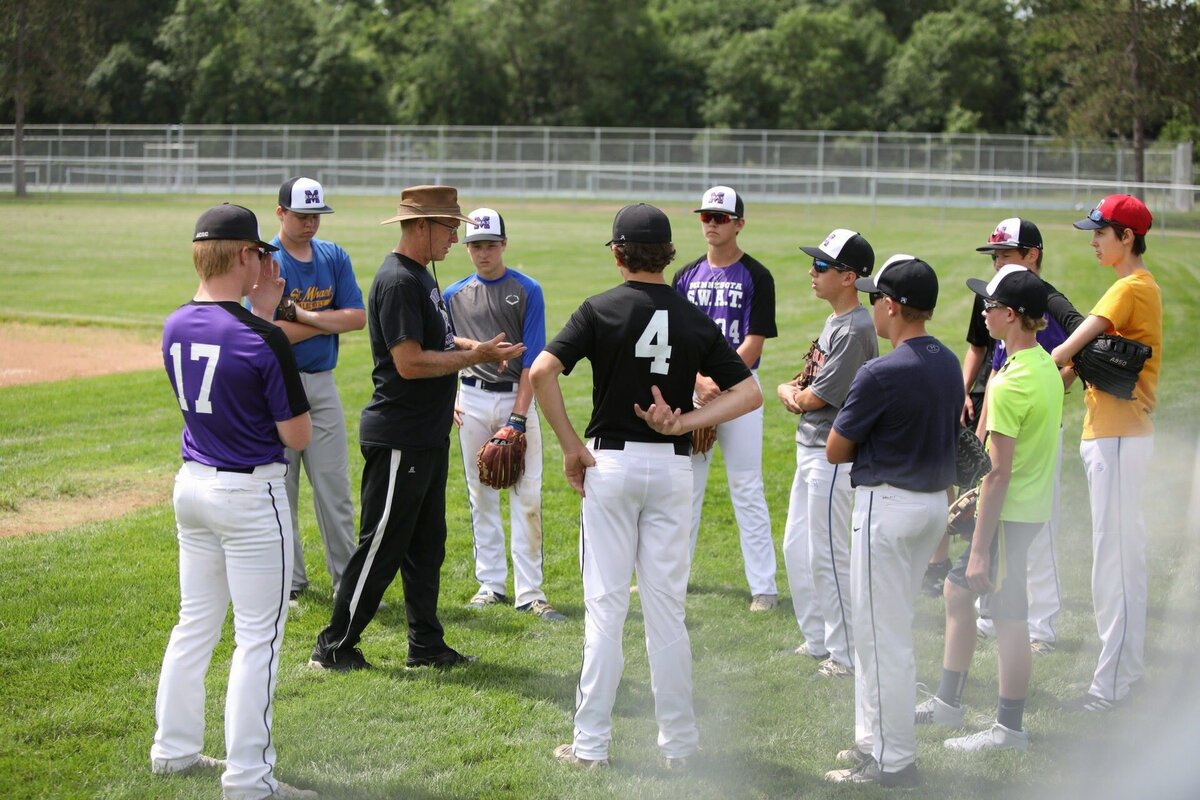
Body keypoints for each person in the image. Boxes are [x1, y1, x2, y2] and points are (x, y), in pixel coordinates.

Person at [531, 203, 762, 768]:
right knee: (667, 612)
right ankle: (680, 746)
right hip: (673, 468)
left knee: (606, 610)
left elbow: (539, 372)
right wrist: (684, 422)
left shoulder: (599, 308)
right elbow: (749, 393)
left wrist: (569, 446)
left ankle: (590, 747)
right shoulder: (691, 316)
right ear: (669, 256)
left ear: (617, 253)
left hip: (611, 466)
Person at [310, 185, 524, 671]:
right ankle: (333, 647)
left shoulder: (421, 277)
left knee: (427, 547)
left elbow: (440, 339)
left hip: (426, 435)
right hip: (400, 436)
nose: (455, 239)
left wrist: (481, 348)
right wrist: (473, 358)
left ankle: (425, 646)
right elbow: (408, 362)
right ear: (422, 226)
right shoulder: (399, 281)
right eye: (451, 229)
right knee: (382, 545)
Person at [152, 203, 317, 800]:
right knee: (258, 639)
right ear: (245, 255)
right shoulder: (264, 336)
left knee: (194, 623)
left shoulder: (174, 322)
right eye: (260, 255)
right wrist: (267, 321)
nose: (266, 266)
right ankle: (250, 780)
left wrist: (262, 314)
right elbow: (297, 435)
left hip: (193, 483)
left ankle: (172, 749)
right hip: (249, 493)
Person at [822, 255, 963, 788]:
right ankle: (870, 739)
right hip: (929, 509)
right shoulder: (948, 361)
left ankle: (894, 760)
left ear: (893, 306)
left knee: (884, 640)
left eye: (878, 295)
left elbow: (837, 449)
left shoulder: (880, 371)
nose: (873, 303)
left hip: (888, 510)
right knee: (881, 632)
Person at [916, 265, 1064, 753]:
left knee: (1006, 615)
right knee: (959, 595)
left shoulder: (1010, 382)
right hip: (1022, 510)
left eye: (991, 305)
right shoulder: (1039, 363)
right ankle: (948, 704)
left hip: (1008, 515)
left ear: (1015, 315)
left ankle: (1008, 731)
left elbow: (998, 473)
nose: (984, 310)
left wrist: (980, 548)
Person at [1052, 194, 1162, 712]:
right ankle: (1127, 672)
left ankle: (1110, 686)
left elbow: (1072, 343)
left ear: (1127, 237)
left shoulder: (1131, 286)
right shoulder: (1137, 287)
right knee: (1121, 560)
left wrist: (1053, 360)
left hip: (1118, 437)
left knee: (1113, 563)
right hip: (1118, 435)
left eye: (1101, 232)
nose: (1094, 241)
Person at [444, 207, 564, 621]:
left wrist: (517, 416)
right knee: (481, 494)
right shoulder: (453, 294)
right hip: (472, 398)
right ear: (467, 248)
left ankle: (531, 592)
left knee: (527, 495)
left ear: (504, 245)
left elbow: (532, 359)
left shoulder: (527, 289)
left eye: (491, 245)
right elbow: (445, 350)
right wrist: (452, 395)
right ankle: (490, 584)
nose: (483, 253)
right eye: (476, 246)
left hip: (517, 396)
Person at [672, 185, 779, 611]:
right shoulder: (685, 276)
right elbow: (679, 338)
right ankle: (671, 577)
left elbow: (754, 342)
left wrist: (718, 383)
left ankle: (764, 587)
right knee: (685, 488)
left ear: (739, 223)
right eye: (705, 217)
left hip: (739, 391)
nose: (712, 224)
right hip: (696, 390)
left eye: (720, 217)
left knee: (747, 485)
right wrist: (698, 381)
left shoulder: (756, 275)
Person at [778, 229, 878, 678]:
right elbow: (806, 381)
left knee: (829, 554)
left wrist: (790, 393)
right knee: (797, 547)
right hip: (810, 449)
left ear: (849, 276)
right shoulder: (836, 321)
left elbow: (814, 397)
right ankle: (818, 638)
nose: (812, 272)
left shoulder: (856, 328)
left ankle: (845, 653)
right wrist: (794, 390)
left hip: (832, 454)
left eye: (822, 266)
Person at [970, 219, 1073, 656]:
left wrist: (1049, 386)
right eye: (994, 256)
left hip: (1033, 425)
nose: (997, 262)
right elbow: (995, 362)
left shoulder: (1044, 302)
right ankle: (990, 610)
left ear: (1032, 255)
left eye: (1005, 255)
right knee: (999, 520)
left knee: (1035, 525)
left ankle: (1042, 625)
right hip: (1005, 418)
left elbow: (1075, 358)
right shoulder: (1001, 305)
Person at [269, 177, 365, 604]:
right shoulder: (267, 261)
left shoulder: (334, 256)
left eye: (316, 216)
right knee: (281, 485)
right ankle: (289, 580)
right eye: (302, 215)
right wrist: (325, 318)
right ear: (280, 214)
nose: (310, 223)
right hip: (276, 386)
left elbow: (358, 318)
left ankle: (348, 581)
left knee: (333, 487)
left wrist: (303, 316)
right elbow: (271, 333)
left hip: (322, 385)